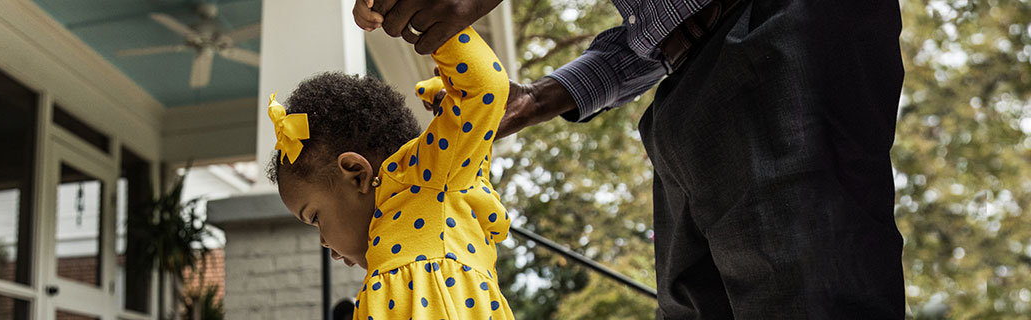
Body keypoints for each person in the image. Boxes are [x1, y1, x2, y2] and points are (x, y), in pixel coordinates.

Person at [354, 0, 907, 318]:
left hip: (777, 26)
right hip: (685, 79)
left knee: (809, 299)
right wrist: (540, 99)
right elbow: (657, 23)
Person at [267, 27, 516, 319]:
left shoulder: (434, 179)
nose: (324, 242)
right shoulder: (375, 288)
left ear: (356, 174)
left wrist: (431, 18)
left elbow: (485, 88)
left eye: (315, 217)